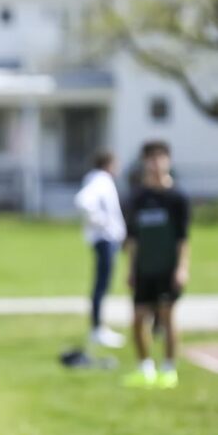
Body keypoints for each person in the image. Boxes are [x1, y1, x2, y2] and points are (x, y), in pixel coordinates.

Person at [123, 141, 190, 390]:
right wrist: (130, 269)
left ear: (168, 160)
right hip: (144, 267)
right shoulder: (138, 197)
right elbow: (133, 238)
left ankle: (169, 369)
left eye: (159, 157)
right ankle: (145, 368)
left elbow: (183, 238)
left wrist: (182, 268)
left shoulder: (177, 197)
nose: (154, 163)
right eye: (150, 158)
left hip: (167, 266)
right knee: (139, 317)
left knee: (167, 315)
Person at [74, 150, 126, 349]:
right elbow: (83, 202)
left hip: (105, 238)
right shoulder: (101, 181)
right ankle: (97, 328)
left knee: (103, 283)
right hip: (104, 239)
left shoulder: (98, 180)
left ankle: (99, 327)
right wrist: (104, 224)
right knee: (101, 284)